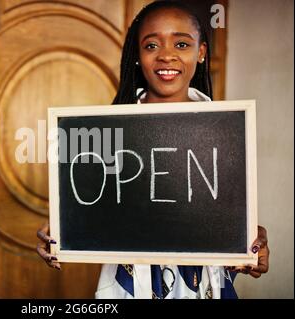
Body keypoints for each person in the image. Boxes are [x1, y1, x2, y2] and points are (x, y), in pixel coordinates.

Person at [36, 1, 269, 299]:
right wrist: (61, 230)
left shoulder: (228, 130)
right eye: (151, 46)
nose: (167, 55)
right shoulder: (105, 130)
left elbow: (226, 216)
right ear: (138, 56)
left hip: (204, 287)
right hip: (130, 287)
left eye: (182, 43)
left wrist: (250, 241)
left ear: (201, 52)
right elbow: (87, 206)